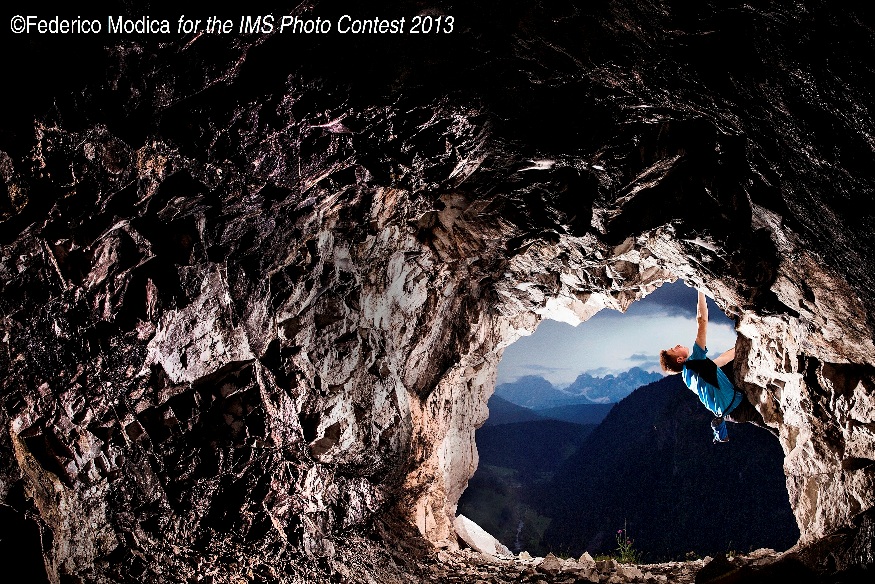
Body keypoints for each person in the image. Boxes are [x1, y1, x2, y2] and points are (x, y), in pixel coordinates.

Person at [660, 290, 775, 442]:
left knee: (770, 424)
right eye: (674, 349)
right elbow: (702, 321)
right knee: (775, 422)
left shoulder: (688, 375)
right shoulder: (695, 361)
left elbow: (721, 360)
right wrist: (701, 289)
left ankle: (720, 432)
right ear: (680, 359)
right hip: (737, 407)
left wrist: (746, 344)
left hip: (729, 414)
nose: (677, 345)